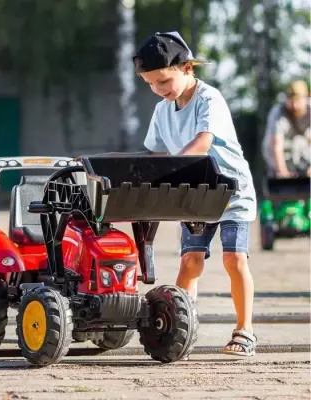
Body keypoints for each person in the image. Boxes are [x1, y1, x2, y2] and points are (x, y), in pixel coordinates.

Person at [78, 31, 258, 356]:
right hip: (195, 194)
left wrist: (170, 171)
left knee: (234, 259)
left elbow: (203, 143)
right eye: (150, 84)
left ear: (187, 68)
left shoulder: (209, 99)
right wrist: (118, 166)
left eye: (162, 80)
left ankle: (244, 331)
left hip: (231, 193)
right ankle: (182, 330)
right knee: (190, 261)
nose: (158, 90)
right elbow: (154, 156)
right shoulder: (163, 111)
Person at [262, 80, 310, 178]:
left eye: (298, 101)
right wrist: (283, 173)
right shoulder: (278, 112)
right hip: (281, 155)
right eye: (291, 101)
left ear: (306, 98)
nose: (295, 106)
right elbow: (277, 145)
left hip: (303, 153)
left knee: (300, 142)